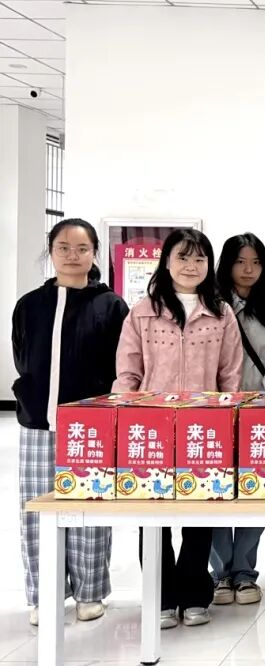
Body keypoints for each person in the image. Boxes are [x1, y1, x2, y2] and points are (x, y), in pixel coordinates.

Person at [114, 228, 243, 629]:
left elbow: (231, 375)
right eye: (183, 257)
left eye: (200, 258)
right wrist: (125, 416)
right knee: (152, 515)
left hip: (205, 427)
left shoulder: (221, 313)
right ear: (166, 261)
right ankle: (162, 596)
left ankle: (194, 594)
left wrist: (228, 420)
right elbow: (128, 372)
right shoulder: (142, 312)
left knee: (198, 513)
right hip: (151, 427)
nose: (191, 266)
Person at [13, 218, 129, 627]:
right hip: (37, 423)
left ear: (94, 253)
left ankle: (90, 592)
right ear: (51, 251)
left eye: (82, 248)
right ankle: (44, 594)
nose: (72, 255)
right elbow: (22, 355)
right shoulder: (30, 304)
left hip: (92, 425)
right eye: (63, 247)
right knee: (38, 510)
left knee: (89, 507)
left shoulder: (111, 305)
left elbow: (120, 363)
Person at [210, 233, 265, 608]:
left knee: (254, 490)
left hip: (260, 414)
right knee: (213, 491)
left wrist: (263, 404)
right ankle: (220, 571)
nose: (248, 270)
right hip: (212, 414)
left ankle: (244, 572)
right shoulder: (210, 307)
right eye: (240, 262)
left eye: (256, 262)